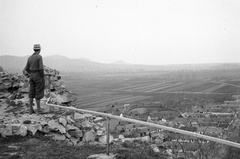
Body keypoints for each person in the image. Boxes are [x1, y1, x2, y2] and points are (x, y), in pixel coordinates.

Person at [24, 44, 45, 114]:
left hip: (32, 75)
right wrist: (42, 75)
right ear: (39, 50)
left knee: (31, 92)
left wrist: (31, 73)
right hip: (38, 75)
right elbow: (41, 68)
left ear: (34, 49)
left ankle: (30, 110)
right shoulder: (39, 57)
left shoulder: (30, 57)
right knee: (38, 91)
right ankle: (38, 110)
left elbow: (26, 68)